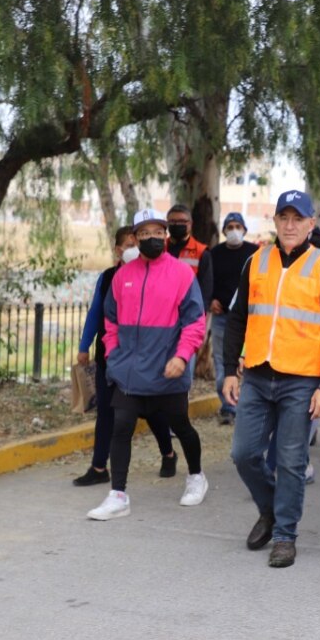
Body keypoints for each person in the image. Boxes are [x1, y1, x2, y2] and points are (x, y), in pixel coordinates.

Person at [223, 190, 320, 568]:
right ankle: (272, 508)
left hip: (302, 381)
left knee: (292, 460)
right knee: (243, 454)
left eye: (299, 218)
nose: (290, 225)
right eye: (284, 218)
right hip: (258, 375)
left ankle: (284, 535)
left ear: (312, 224)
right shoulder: (256, 261)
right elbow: (236, 319)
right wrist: (230, 369)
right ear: (275, 222)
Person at [86, 209, 208, 520]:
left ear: (165, 235)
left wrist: (182, 357)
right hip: (128, 371)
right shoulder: (122, 276)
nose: (150, 238)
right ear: (136, 238)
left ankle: (196, 476)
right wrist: (113, 355)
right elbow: (109, 321)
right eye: (143, 234)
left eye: (156, 232)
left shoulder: (181, 274)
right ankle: (118, 495)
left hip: (168, 370)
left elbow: (195, 322)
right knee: (121, 425)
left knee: (180, 425)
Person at [75, 226, 177, 486]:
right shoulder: (109, 277)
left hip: (142, 358)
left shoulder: (151, 274)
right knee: (107, 413)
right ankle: (99, 468)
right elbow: (96, 313)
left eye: (137, 241)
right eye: (128, 243)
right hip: (110, 356)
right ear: (118, 250)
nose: (134, 247)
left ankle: (168, 452)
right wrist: (84, 345)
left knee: (152, 411)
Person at [208, 212, 259, 425]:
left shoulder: (255, 253)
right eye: (230, 226)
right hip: (222, 319)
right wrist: (210, 300)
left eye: (238, 226)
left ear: (244, 230)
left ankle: (246, 404)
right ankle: (228, 405)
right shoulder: (214, 254)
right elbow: (206, 281)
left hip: (250, 318)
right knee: (222, 362)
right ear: (224, 231)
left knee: (249, 363)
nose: (234, 230)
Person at [165, 204, 213, 308]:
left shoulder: (201, 252)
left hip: (189, 308)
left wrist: (200, 312)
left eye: (182, 221)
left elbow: (206, 289)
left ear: (190, 224)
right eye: (172, 221)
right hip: (162, 306)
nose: (177, 224)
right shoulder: (160, 248)